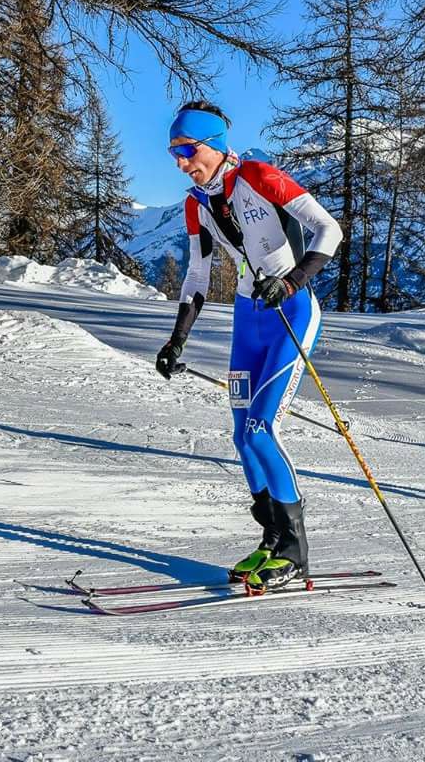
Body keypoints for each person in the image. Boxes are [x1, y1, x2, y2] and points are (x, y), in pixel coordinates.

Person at [154, 101, 343, 589]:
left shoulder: (259, 175)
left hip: (290, 313)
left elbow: (330, 229)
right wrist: (177, 340)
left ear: (213, 145)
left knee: (262, 428)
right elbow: (197, 275)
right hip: (247, 317)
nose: (179, 162)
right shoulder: (197, 202)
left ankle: (296, 551)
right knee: (241, 436)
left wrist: (293, 281)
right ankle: (272, 543)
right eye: (173, 151)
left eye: (186, 150)